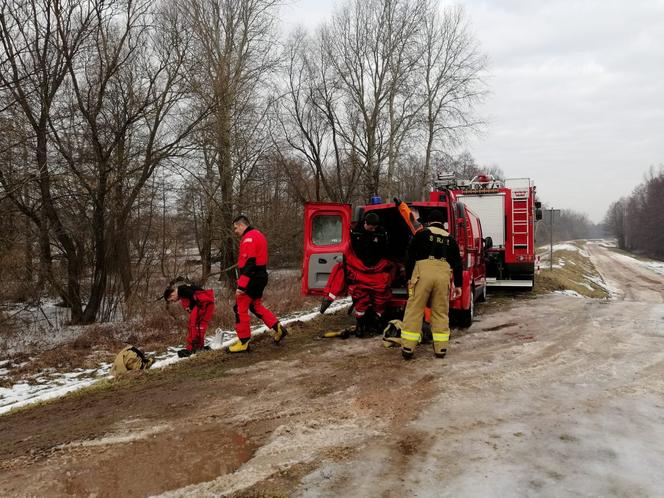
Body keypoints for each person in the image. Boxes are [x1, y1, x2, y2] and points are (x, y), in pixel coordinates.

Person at [400, 209, 462, 360]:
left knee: (415, 309)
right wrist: (458, 285)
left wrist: (409, 277)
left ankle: (408, 348)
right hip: (443, 277)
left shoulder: (421, 234)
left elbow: (410, 256)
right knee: (440, 312)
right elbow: (458, 264)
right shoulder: (451, 240)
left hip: (422, 275)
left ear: (429, 222)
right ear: (443, 223)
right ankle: (441, 349)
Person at [320, 212, 395, 337]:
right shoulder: (354, 232)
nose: (373, 230)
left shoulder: (381, 232)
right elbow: (347, 253)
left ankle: (376, 322)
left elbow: (386, 250)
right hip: (360, 268)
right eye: (371, 228)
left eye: (375, 228)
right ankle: (361, 326)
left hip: (376, 268)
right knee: (361, 299)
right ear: (365, 223)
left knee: (380, 299)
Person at [229, 214, 288, 353]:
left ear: (242, 225)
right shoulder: (259, 234)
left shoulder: (248, 239)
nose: (235, 231)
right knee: (255, 306)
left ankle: (243, 342)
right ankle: (278, 328)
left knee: (239, 308)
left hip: (252, 278)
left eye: (236, 228)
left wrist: (242, 286)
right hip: (261, 277)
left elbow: (250, 263)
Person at [164, 282, 216, 357]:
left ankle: (193, 347)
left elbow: (193, 295)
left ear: (172, 295)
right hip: (206, 303)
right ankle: (199, 346)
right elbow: (194, 295)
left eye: (171, 300)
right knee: (198, 326)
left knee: (194, 325)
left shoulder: (181, 290)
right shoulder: (183, 289)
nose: (173, 301)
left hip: (203, 304)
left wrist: (191, 306)